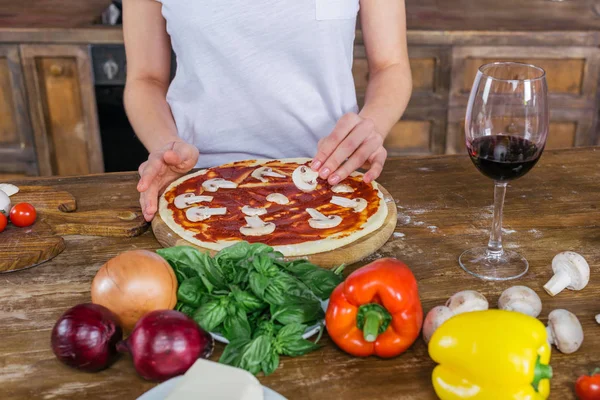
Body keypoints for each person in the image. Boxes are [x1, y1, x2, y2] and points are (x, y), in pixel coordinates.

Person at [123, 0, 412, 221]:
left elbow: (391, 66)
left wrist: (370, 126)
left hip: (330, 180)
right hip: (197, 182)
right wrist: (166, 146)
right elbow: (145, 79)